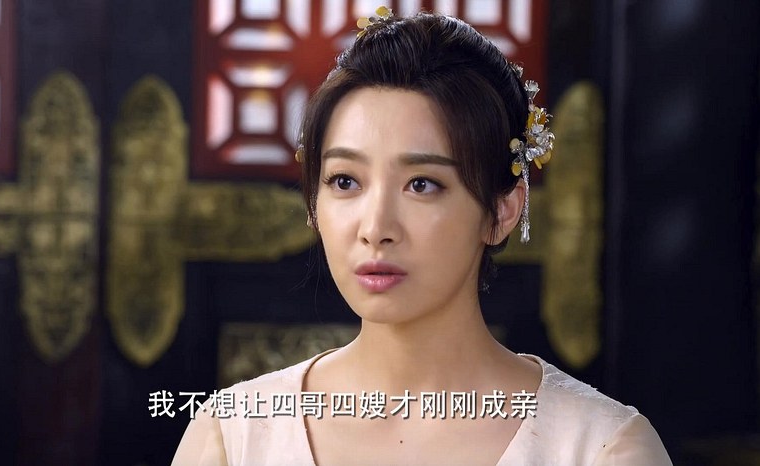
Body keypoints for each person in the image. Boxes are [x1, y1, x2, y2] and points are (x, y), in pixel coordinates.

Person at [173, 8, 672, 466]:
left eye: (422, 185)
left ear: (502, 210)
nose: (375, 229)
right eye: (345, 181)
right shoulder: (234, 435)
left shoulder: (601, 448)